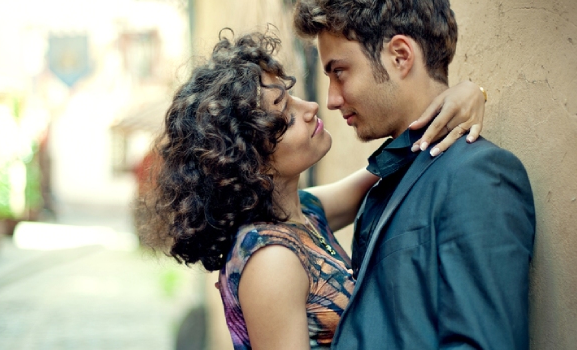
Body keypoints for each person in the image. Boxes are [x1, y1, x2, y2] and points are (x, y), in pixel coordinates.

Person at [137, 30, 486, 350]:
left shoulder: (304, 212)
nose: (311, 108)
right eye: (285, 115)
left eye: (291, 96)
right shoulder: (272, 260)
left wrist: (465, 96)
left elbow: (382, 171)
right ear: (248, 160)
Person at [293, 0, 537, 349]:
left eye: (339, 71)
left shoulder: (479, 173)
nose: (331, 99)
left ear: (401, 56)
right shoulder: (387, 178)